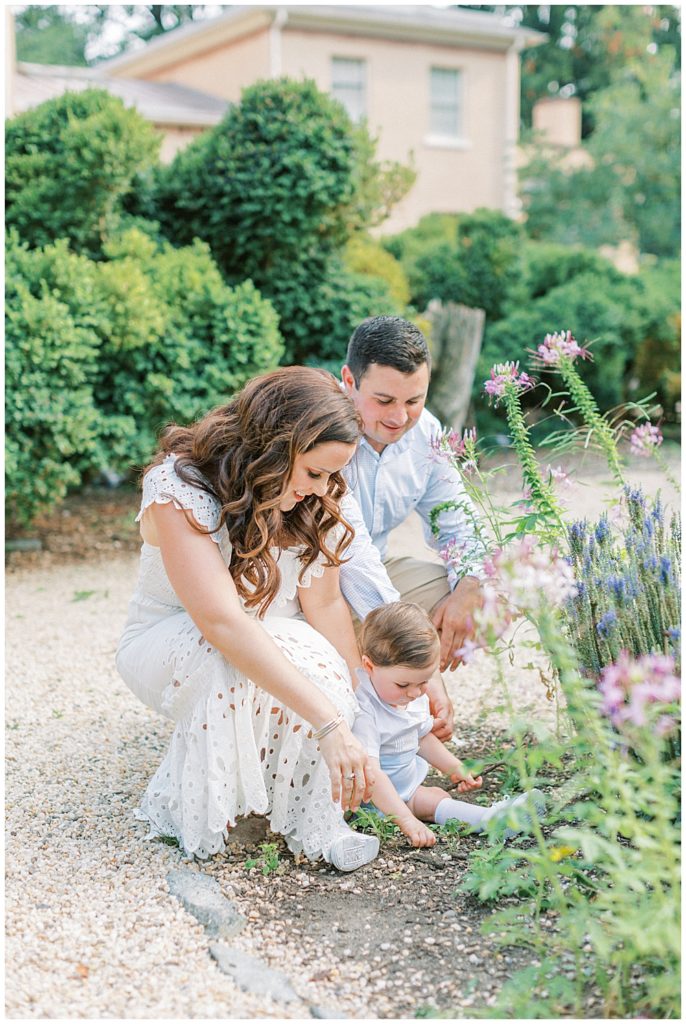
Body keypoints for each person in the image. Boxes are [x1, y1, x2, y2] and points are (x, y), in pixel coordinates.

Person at [116, 367, 381, 872]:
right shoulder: (179, 486)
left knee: (318, 662)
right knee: (224, 656)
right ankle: (208, 806)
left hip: (266, 637)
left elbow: (324, 607)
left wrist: (353, 714)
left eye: (332, 476)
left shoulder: (316, 497)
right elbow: (221, 623)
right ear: (275, 448)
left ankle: (307, 816)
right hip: (170, 643)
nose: (323, 490)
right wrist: (326, 723)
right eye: (313, 473)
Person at [338, 315, 487, 739]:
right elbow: (349, 556)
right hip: (314, 583)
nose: (399, 417)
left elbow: (459, 518)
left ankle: (399, 700)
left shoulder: (427, 432)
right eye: (383, 400)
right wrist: (409, 640)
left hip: (380, 571)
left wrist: (469, 585)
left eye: (413, 400)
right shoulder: (320, 425)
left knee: (493, 593)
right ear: (349, 379)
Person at [353, 603, 544, 848]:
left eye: (423, 682)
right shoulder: (365, 711)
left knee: (435, 798)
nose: (414, 693)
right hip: (376, 801)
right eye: (403, 685)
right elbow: (372, 774)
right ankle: (488, 820)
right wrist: (406, 820)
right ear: (370, 667)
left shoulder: (409, 695)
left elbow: (421, 737)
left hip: (407, 789)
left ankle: (494, 819)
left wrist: (454, 767)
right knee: (432, 802)